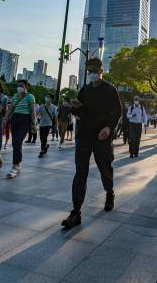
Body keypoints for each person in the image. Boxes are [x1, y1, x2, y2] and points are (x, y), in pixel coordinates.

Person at [61, 58, 121, 229]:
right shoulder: (84, 90)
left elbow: (117, 111)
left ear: (101, 71)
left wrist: (109, 128)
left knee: (104, 167)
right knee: (81, 172)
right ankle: (76, 211)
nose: (92, 74)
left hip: (102, 136)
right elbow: (79, 110)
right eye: (89, 71)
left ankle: (109, 192)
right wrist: (73, 106)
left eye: (94, 70)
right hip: (84, 136)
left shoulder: (110, 90)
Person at [3, 79, 36, 178]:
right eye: (18, 85)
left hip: (25, 120)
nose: (19, 87)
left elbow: (32, 110)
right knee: (15, 142)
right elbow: (11, 108)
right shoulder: (15, 96)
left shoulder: (30, 96)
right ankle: (18, 164)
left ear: (26, 87)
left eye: (21, 85)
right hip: (15, 119)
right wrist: (5, 118)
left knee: (17, 141)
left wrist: (34, 124)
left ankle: (15, 166)